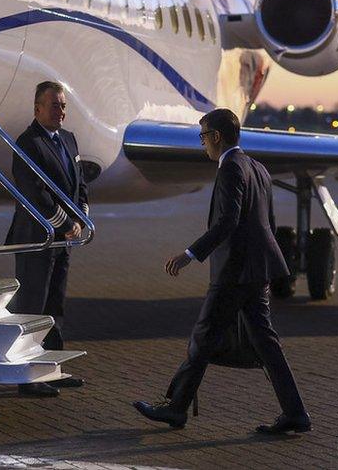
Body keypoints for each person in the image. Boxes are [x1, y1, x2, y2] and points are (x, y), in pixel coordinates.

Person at [133, 108, 312, 435]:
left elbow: (227, 221)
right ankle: (295, 412)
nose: (202, 144)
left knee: (203, 337)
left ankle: (175, 409)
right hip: (257, 269)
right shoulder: (257, 167)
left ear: (216, 136)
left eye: (203, 137)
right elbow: (267, 224)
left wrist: (190, 254)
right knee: (265, 343)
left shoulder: (230, 168)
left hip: (234, 272)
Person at [5, 81, 89, 398]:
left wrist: (80, 218)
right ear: (37, 108)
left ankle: (52, 369)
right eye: (54, 105)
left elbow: (80, 184)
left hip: (62, 239)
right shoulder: (27, 143)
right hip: (36, 238)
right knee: (32, 308)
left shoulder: (68, 139)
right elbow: (34, 192)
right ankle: (28, 376)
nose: (61, 111)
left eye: (63, 105)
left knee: (55, 307)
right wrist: (65, 224)